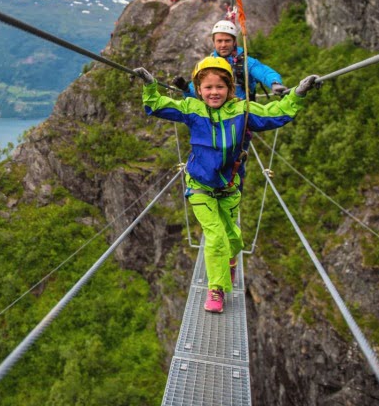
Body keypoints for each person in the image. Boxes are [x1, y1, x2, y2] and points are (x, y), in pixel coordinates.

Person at [133, 58, 319, 313]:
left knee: (233, 239)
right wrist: (150, 85)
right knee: (216, 236)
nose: (213, 93)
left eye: (219, 87)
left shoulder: (243, 111)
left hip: (229, 187)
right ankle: (216, 290)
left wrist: (297, 94)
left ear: (230, 88)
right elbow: (157, 106)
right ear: (198, 90)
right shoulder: (192, 109)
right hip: (199, 185)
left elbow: (275, 114)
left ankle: (229, 263)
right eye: (207, 88)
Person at [172, 20, 287, 100]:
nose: (223, 45)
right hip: (218, 112)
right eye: (219, 41)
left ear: (234, 42)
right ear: (214, 42)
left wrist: (274, 83)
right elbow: (199, 92)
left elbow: (263, 72)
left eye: (227, 41)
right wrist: (186, 88)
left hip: (242, 112)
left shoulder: (245, 62)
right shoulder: (208, 65)